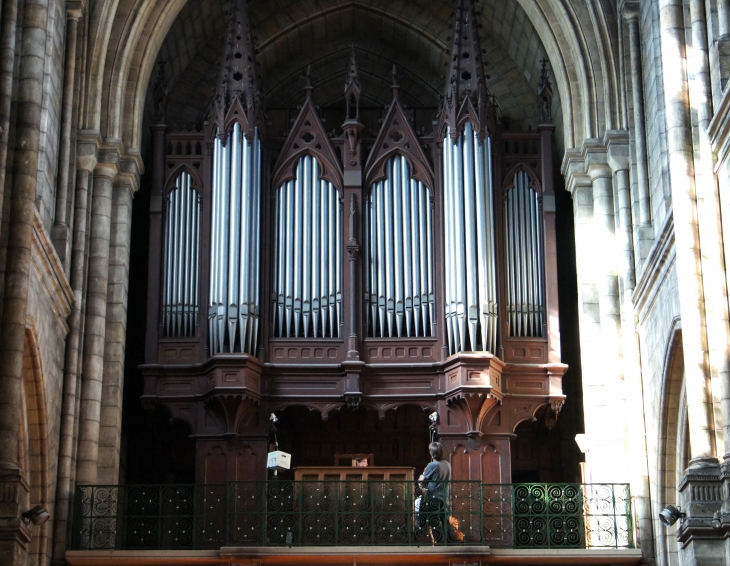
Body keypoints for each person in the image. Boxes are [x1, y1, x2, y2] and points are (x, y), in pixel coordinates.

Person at [418, 442, 451, 543]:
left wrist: (422, 474)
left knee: (434, 522)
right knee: (445, 522)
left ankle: (440, 544)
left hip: (433, 497)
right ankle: (450, 543)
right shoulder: (448, 464)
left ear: (432, 453)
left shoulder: (433, 465)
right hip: (444, 496)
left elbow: (421, 480)